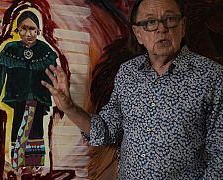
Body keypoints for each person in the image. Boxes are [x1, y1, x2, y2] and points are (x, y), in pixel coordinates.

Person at [41, 0, 223, 178]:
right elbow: (104, 132)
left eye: (170, 19)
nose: (161, 28)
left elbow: (220, 157)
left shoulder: (212, 76)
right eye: (150, 22)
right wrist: (68, 107)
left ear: (182, 26)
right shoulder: (127, 73)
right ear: (138, 34)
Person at [0, 10, 57, 169]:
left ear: (38, 31)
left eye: (32, 29)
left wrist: (55, 94)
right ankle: (18, 162)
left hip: (39, 96)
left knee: (36, 127)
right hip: (18, 96)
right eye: (24, 28)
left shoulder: (44, 50)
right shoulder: (10, 48)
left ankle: (35, 163)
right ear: (18, 30)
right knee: (18, 126)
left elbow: (54, 74)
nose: (28, 33)